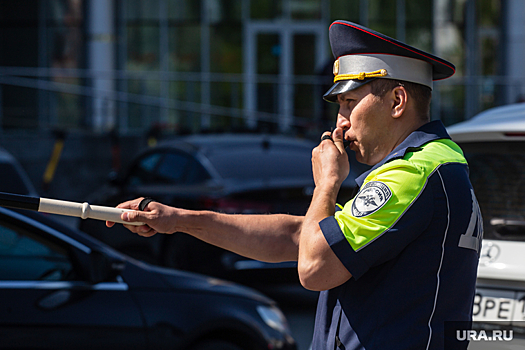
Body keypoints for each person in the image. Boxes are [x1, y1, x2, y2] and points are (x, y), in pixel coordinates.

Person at [107, 20, 482, 350]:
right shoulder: (430, 164)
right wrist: (176, 219)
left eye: (350, 102)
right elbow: (298, 237)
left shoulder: (411, 173)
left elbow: (314, 266)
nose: (340, 122)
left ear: (398, 101)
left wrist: (327, 184)